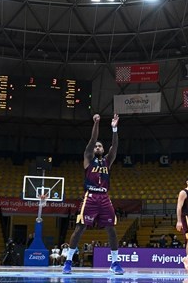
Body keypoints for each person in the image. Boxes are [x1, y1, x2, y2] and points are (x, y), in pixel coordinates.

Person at [62, 114, 123, 275]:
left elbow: (115, 147)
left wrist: (114, 129)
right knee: (80, 228)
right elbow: (92, 139)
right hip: (90, 196)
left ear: (103, 150)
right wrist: (96, 123)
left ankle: (115, 262)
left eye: (100, 146)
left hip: (104, 197)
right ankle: (68, 261)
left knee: (111, 229)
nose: (97, 147)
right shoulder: (88, 158)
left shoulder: (107, 161)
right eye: (96, 146)